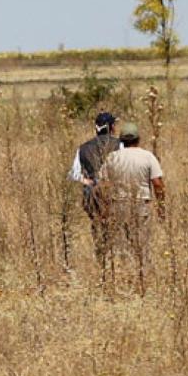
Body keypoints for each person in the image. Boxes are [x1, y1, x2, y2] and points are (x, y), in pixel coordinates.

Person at [98, 122, 165, 292]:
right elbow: (157, 183)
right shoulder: (148, 157)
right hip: (141, 204)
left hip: (118, 205)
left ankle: (124, 280)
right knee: (142, 244)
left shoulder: (112, 157)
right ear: (138, 139)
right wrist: (161, 208)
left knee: (121, 245)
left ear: (121, 140)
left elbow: (103, 185)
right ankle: (142, 282)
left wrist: (105, 208)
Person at [68, 112, 122, 268]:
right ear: (112, 127)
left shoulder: (83, 148)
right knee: (116, 226)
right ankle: (113, 260)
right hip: (115, 192)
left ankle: (101, 258)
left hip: (91, 194)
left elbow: (74, 174)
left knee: (97, 224)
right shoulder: (120, 145)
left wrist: (90, 182)